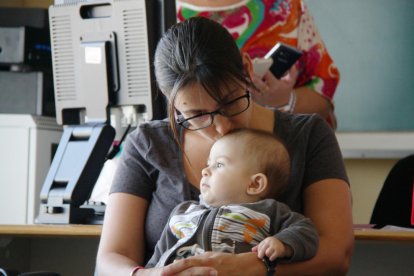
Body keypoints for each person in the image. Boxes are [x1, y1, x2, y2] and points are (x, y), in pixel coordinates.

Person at [96, 17, 353, 275]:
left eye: (230, 103)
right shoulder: (147, 144)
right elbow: (110, 260)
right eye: (196, 115)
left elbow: (336, 254)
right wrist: (152, 274)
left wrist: (252, 269)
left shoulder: (309, 135)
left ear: (247, 69)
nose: (222, 128)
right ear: (172, 103)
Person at [146, 129, 319, 268]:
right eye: (208, 164)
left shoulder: (270, 212)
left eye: (219, 164)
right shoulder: (184, 212)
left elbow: (307, 232)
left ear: (255, 184)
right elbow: (159, 256)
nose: (205, 171)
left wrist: (282, 243)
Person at [176, 0, 340, 128]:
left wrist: (283, 100)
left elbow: (324, 95)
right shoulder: (158, 12)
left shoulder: (286, 6)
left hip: (283, 154)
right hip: (198, 157)